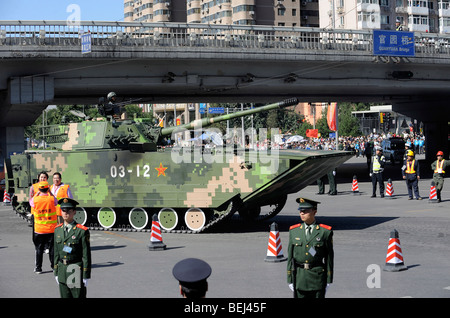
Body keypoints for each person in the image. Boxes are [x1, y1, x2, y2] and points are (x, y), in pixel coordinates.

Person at [287, 198, 334, 298]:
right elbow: (290, 257)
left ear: (314, 212)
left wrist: (329, 279)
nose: (302, 213)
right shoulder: (294, 231)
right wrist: (289, 278)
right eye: (300, 211)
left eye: (306, 211)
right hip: (300, 277)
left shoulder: (324, 232)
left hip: (317, 278)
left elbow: (329, 257)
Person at [54, 198, 91, 298]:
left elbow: (86, 254)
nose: (65, 213)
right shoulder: (57, 230)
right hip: (62, 269)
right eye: (63, 210)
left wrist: (85, 275)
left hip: (74, 268)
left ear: (74, 212)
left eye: (69, 211)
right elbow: (56, 253)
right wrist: (56, 271)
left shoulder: (81, 231)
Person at [30, 181, 58, 274]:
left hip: (39, 229)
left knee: (39, 249)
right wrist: (50, 192)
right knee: (52, 249)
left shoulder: (36, 199)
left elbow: (31, 202)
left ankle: (38, 268)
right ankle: (54, 267)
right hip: (51, 229)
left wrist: (36, 194)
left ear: (39, 189)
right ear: (48, 189)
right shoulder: (51, 198)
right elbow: (56, 202)